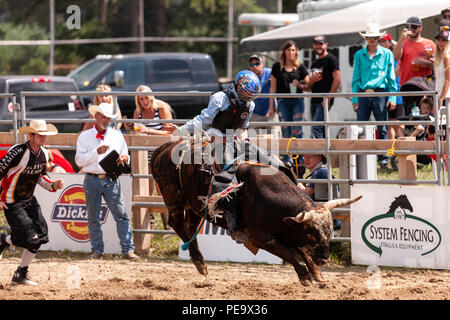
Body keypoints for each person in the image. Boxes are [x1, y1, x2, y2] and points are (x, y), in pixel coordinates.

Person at [0, 120, 65, 285]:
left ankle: (17, 268)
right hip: (12, 201)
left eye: (45, 135)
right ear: (31, 135)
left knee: (41, 237)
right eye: (40, 135)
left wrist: (52, 185)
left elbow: (40, 177)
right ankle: (17, 267)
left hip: (29, 200)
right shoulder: (17, 152)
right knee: (32, 238)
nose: (44, 138)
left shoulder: (43, 153)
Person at [75, 102, 139, 260]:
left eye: (108, 118)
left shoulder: (116, 135)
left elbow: (126, 155)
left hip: (109, 178)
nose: (106, 120)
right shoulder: (84, 136)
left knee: (121, 215)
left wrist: (125, 158)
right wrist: (96, 152)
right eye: (103, 116)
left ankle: (127, 249)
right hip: (93, 178)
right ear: (96, 116)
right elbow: (78, 161)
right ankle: (98, 250)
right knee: (94, 217)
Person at [127, 85, 177, 230]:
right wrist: (130, 127)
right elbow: (137, 133)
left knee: (162, 187)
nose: (144, 101)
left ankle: (169, 225)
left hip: (163, 153)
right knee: (146, 187)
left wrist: (148, 130)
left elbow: (170, 133)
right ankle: (150, 223)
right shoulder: (138, 113)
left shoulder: (161, 109)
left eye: (146, 97)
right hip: (146, 153)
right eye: (141, 99)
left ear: (151, 97)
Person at [352, 23, 397, 169]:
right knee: (360, 128)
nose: (372, 39)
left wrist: (392, 97)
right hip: (363, 94)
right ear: (366, 38)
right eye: (369, 37)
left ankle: (382, 159)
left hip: (380, 93)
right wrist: (354, 98)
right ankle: (360, 157)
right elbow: (356, 79)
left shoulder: (387, 54)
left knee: (382, 127)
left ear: (378, 38)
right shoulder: (359, 55)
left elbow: (391, 78)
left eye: (374, 37)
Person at [267, 40, 309, 138]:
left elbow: (308, 83)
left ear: (296, 52)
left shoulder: (300, 67)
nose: (291, 52)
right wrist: (271, 107)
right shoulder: (277, 66)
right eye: (289, 50)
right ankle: (287, 154)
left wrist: (299, 84)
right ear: (284, 52)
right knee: (285, 130)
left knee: (297, 130)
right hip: (282, 101)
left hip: (297, 101)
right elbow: (272, 88)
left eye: (293, 50)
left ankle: (298, 153)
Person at [393, 16, 435, 115]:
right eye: (409, 27)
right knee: (411, 120)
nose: (411, 30)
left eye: (414, 27)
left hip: (425, 87)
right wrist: (401, 39)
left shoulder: (429, 44)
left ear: (420, 28)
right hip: (408, 87)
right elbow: (395, 57)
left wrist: (424, 63)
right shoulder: (403, 43)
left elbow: (437, 67)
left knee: (427, 119)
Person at [303, 35, 341, 138]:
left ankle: (318, 153)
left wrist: (328, 98)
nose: (318, 46)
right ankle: (324, 152)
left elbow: (337, 80)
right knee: (321, 128)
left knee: (316, 128)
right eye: (316, 44)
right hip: (314, 100)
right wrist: (311, 81)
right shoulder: (314, 63)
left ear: (326, 45)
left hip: (324, 100)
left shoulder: (331, 59)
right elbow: (310, 87)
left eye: (320, 44)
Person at [297, 154, 340, 231]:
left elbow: (306, 194)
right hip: (330, 214)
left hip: (326, 217)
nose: (306, 160)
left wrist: (298, 181)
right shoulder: (322, 170)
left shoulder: (318, 172)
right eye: (304, 157)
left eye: (309, 157)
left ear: (319, 159)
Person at [379, 33, 405, 143]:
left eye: (385, 41)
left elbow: (395, 74)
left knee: (396, 122)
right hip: (384, 94)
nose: (383, 43)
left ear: (390, 43)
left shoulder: (394, 56)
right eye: (381, 41)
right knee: (389, 123)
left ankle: (405, 144)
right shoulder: (379, 56)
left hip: (395, 93)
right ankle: (392, 150)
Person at [247, 54, 281, 137]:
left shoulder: (270, 73)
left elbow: (279, 86)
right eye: (252, 64)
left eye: (257, 64)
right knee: (253, 141)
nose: (254, 66)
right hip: (255, 113)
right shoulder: (246, 77)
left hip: (270, 112)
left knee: (275, 140)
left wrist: (277, 105)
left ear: (262, 64)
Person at [434, 27, 450, 108]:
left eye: (443, 40)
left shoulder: (447, 57)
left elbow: (448, 80)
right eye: (438, 40)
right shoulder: (439, 57)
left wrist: (441, 98)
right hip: (439, 94)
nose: (440, 42)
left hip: (446, 97)